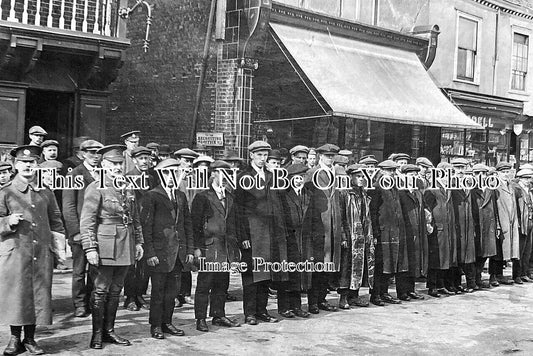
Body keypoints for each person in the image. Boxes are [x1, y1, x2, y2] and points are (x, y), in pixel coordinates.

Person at [0, 145, 65, 356]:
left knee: (38, 294)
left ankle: (30, 338)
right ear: (15, 166)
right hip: (16, 251)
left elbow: (56, 221)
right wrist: (7, 221)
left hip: (41, 252)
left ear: (37, 165)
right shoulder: (6, 191)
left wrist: (58, 250)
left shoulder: (45, 191)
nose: (27, 166)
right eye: (23, 163)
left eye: (31, 163)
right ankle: (14, 338)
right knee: (17, 295)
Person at [80, 144, 144, 349]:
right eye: (113, 163)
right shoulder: (95, 187)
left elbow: (135, 218)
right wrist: (90, 248)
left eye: (120, 163)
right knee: (100, 290)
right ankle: (96, 335)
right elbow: (87, 220)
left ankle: (110, 331)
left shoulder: (128, 186)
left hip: (126, 244)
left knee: (116, 290)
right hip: (105, 245)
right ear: (104, 164)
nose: (117, 167)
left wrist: (139, 242)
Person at [235, 140, 289, 325]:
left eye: (265, 155)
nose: (262, 158)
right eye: (259, 155)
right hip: (251, 234)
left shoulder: (271, 176)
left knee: (265, 274)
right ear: (251, 155)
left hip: (269, 233)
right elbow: (238, 209)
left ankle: (262, 310)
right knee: (251, 275)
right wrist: (242, 237)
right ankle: (250, 312)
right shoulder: (243, 176)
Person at [141, 158, 193, 339]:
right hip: (160, 253)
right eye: (166, 173)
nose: (171, 177)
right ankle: (155, 325)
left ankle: (167, 322)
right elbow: (146, 227)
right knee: (158, 291)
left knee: (172, 292)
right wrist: (150, 253)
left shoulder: (180, 196)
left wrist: (190, 250)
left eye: (174, 173)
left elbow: (187, 225)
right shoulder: (152, 196)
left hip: (177, 252)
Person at [191, 160, 241, 331]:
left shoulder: (230, 197)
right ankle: (200, 318)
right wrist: (197, 248)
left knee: (222, 283)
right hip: (209, 247)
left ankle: (218, 315)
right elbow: (195, 225)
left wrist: (235, 250)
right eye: (222, 173)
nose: (226, 177)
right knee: (205, 284)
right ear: (213, 175)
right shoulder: (202, 197)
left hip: (225, 248)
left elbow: (233, 225)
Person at [62, 139, 103, 317]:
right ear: (83, 153)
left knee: (96, 268)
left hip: (98, 231)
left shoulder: (103, 174)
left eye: (98, 153)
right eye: (91, 153)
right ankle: (79, 304)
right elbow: (68, 207)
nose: (95, 156)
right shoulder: (74, 174)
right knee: (79, 270)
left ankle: (92, 301)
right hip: (80, 231)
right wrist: (76, 232)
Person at [305, 143, 343, 313]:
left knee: (328, 265)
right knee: (318, 265)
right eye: (327, 156)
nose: (330, 159)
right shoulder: (312, 174)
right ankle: (313, 301)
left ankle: (322, 299)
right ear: (320, 156)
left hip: (333, 226)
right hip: (319, 226)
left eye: (332, 156)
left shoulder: (336, 174)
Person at [368, 159, 407, 306]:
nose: (392, 173)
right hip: (382, 232)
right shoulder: (377, 188)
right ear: (382, 171)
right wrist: (376, 232)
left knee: (389, 264)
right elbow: (373, 211)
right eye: (389, 171)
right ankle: (375, 294)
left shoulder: (393, 187)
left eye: (393, 171)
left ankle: (384, 292)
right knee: (380, 265)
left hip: (393, 231)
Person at [276, 164, 312, 318]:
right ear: (290, 179)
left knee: (299, 274)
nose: (298, 181)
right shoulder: (283, 195)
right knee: (286, 274)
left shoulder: (308, 194)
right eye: (296, 178)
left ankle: (296, 306)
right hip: (288, 239)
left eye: (301, 178)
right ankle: (284, 307)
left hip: (303, 240)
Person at [123, 146, 155, 311]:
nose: (144, 162)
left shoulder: (153, 177)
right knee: (133, 263)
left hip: (150, 225)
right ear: (134, 160)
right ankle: (130, 297)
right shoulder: (128, 178)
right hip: (135, 224)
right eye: (141, 159)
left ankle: (140, 294)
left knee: (145, 264)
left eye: (146, 159)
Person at [339, 163, 375, 308]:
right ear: (351, 177)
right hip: (349, 235)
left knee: (360, 266)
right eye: (358, 176)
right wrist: (343, 236)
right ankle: (343, 297)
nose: (361, 179)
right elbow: (341, 216)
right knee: (347, 267)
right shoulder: (344, 193)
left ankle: (355, 295)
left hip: (363, 235)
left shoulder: (364, 194)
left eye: (362, 177)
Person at [424, 162, 457, 297]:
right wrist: (429, 225)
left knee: (445, 258)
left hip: (447, 228)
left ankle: (441, 284)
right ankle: (432, 286)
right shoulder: (431, 189)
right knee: (435, 258)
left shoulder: (448, 189)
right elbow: (427, 209)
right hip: (437, 229)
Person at [397, 164, 428, 301]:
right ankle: (402, 291)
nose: (413, 177)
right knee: (404, 262)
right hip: (406, 232)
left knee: (414, 261)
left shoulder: (418, 193)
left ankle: (411, 289)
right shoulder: (401, 192)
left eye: (415, 175)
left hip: (417, 230)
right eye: (410, 175)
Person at [174, 147, 200, 306]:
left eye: (191, 161)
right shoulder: (175, 176)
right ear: (179, 160)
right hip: (178, 222)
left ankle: (186, 293)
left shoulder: (196, 178)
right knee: (176, 260)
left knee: (188, 259)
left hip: (191, 222)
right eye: (185, 161)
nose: (188, 164)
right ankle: (175, 294)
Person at [489, 162, 520, 286]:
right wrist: (497, 224)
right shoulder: (494, 186)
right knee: (497, 249)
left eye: (508, 172)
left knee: (505, 249)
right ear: (497, 173)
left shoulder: (511, 186)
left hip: (510, 221)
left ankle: (500, 275)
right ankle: (493, 276)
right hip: (500, 221)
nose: (506, 174)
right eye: (503, 172)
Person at [449, 158, 476, 293]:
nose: (460, 171)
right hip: (457, 223)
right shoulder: (450, 184)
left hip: (468, 224)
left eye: (462, 168)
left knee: (468, 255)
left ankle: (470, 283)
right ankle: (455, 284)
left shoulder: (469, 184)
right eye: (457, 168)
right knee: (456, 256)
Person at [471, 164, 497, 289]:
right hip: (476, 225)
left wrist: (496, 226)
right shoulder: (471, 189)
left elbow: (494, 208)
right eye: (477, 174)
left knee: (485, 253)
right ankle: (474, 279)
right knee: (476, 253)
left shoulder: (490, 189)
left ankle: (479, 277)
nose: (480, 176)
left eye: (483, 174)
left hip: (488, 224)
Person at [512, 168, 533, 283]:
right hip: (522, 223)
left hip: (529, 222)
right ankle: (517, 275)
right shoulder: (517, 189)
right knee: (519, 250)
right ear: (520, 178)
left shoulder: (528, 190)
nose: (527, 180)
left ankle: (525, 273)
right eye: (525, 178)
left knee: (527, 250)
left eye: (529, 177)